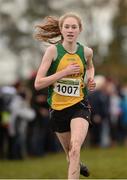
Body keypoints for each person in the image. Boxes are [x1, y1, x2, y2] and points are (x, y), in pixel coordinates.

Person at [34, 12, 96, 180]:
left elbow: (90, 67)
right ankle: (76, 163)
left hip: (79, 105)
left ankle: (75, 161)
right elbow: (38, 83)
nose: (70, 30)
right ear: (61, 30)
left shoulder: (86, 52)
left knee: (75, 148)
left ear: (79, 30)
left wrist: (90, 78)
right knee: (70, 154)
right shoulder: (53, 51)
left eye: (73, 27)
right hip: (58, 109)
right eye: (66, 27)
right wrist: (64, 73)